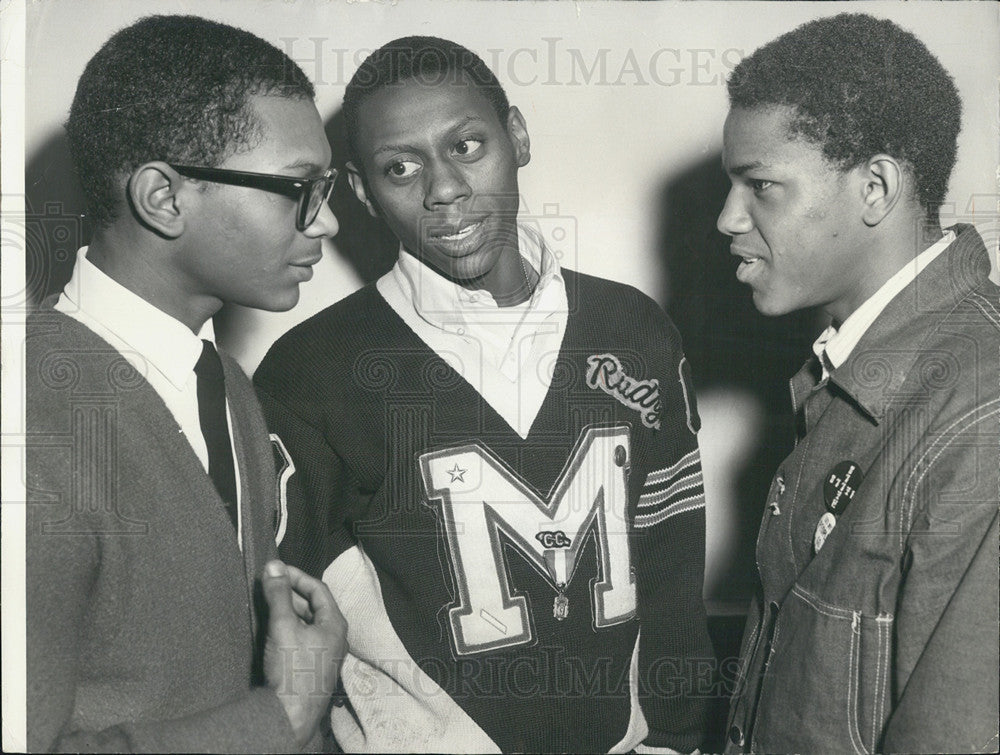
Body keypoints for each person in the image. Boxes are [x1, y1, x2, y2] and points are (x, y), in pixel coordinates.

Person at [255, 36, 714, 754]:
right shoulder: (312, 370)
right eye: (399, 167)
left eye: (467, 145)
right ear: (360, 190)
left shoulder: (631, 328)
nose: (442, 189)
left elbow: (672, 559)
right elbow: (289, 620)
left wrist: (679, 734)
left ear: (517, 136)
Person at [26, 15, 346, 752]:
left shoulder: (225, 382)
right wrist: (284, 712)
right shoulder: (29, 433)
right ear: (163, 198)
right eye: (298, 189)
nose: (325, 223)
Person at [717, 13, 999, 754]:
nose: (726, 217)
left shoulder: (982, 410)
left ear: (875, 187)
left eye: (761, 186)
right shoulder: (846, 371)